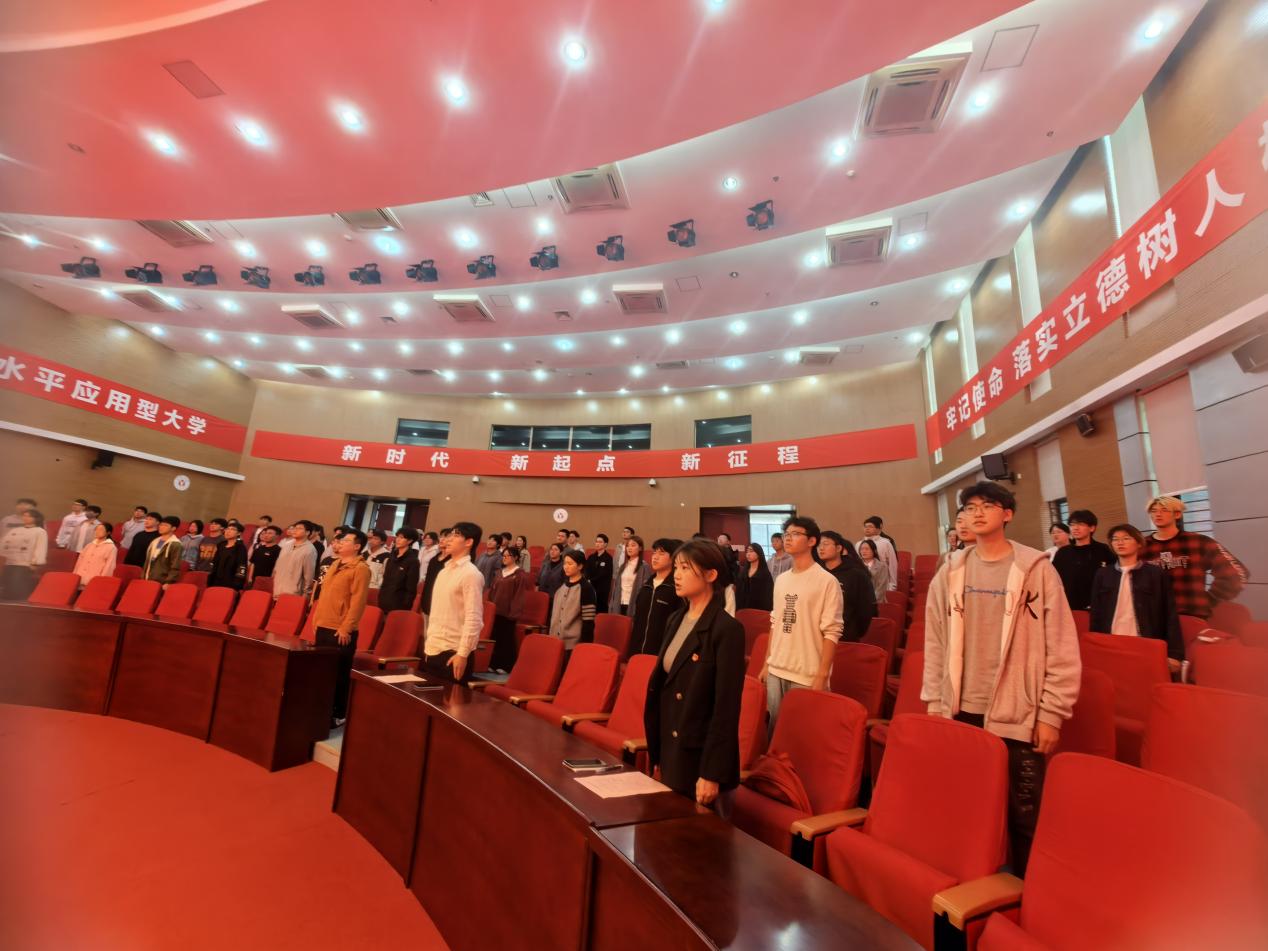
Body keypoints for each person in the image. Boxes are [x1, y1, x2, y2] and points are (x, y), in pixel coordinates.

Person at [922, 481, 1080, 874]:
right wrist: (936, 701)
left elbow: (1060, 643)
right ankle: (974, 885)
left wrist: (1051, 713)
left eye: (987, 506)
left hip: (1017, 711)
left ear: (1007, 514)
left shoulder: (1035, 570)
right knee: (967, 806)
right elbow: (935, 640)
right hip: (961, 708)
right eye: (970, 507)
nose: (976, 513)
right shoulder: (951, 571)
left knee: (1025, 815)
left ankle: (1029, 889)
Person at [645, 539, 745, 810]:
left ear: (711, 575)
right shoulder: (675, 619)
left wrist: (711, 772)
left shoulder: (727, 630)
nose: (676, 575)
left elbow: (726, 708)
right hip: (670, 744)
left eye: (685, 568)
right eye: (676, 567)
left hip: (698, 753)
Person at [760, 516, 844, 733]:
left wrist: (822, 676)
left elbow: (832, 632)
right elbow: (775, 622)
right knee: (775, 731)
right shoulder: (781, 579)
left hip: (807, 672)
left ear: (812, 541)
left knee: (802, 735)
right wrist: (767, 663)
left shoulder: (827, 581)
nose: (788, 538)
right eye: (786, 534)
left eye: (795, 534)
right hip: (777, 668)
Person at [1089, 524, 1183, 672]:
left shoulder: (1155, 574)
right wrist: (1094, 646)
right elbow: (1096, 614)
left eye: (1126, 538)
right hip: (1111, 642)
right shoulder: (1102, 574)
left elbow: (1169, 614)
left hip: (1145, 641)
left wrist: (1174, 654)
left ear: (1139, 543)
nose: (1120, 543)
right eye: (1115, 539)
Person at [1142, 495, 1248, 621]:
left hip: (1192, 616)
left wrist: (1211, 599)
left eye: (1164, 510)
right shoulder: (1141, 546)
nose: (1158, 514)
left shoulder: (1199, 542)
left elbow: (1237, 573)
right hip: (1155, 617)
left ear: (1177, 514)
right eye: (1153, 511)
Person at [310, 528, 370, 727]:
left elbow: (358, 602)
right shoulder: (335, 563)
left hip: (340, 629)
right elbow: (324, 595)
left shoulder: (360, 569)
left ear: (357, 546)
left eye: (346, 541)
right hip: (324, 624)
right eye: (340, 540)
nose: (340, 543)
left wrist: (347, 627)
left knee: (339, 673)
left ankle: (338, 713)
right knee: (323, 671)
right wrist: (316, 619)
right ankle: (322, 710)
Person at [423, 522, 485, 684]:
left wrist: (463, 654)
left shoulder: (471, 574)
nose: (449, 539)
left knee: (452, 700)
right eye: (449, 535)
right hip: (433, 648)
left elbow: (474, 618)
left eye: (456, 535)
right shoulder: (443, 571)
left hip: (454, 652)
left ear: (469, 542)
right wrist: (429, 645)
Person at [631, 538, 685, 657]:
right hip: (637, 653)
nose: (655, 557)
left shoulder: (676, 589)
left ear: (673, 558)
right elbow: (637, 621)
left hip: (661, 654)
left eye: (661, 553)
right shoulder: (646, 587)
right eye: (654, 552)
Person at [1051, 510, 1114, 611]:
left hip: (1099, 606)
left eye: (1080, 524)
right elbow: (1053, 579)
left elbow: (1113, 576)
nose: (1075, 528)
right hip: (1070, 608)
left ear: (1092, 528)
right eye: (1072, 525)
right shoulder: (1063, 553)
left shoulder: (1102, 550)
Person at [819, 533, 876, 642]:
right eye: (819, 545)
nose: (821, 548)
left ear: (838, 548)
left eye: (825, 544)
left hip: (846, 635)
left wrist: (855, 631)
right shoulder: (815, 572)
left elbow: (865, 609)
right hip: (816, 635)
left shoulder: (857, 575)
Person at [490, 545, 533, 671]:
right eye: (503, 556)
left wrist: (514, 613)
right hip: (496, 610)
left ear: (515, 557)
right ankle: (493, 663)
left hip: (508, 612)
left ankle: (506, 665)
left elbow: (519, 596)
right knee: (495, 637)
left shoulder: (519, 575)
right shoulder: (499, 573)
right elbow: (492, 591)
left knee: (506, 638)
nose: (504, 558)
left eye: (507, 556)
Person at [549, 549, 596, 653]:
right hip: (555, 642)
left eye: (570, 564)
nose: (566, 567)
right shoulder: (561, 588)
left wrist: (584, 648)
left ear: (580, 566)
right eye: (565, 563)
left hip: (573, 645)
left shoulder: (586, 589)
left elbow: (588, 622)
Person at [1, 508, 47, 600]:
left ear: (36, 518)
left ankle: (19, 602)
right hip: (10, 561)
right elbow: (4, 543)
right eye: (24, 516)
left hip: (25, 563)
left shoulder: (40, 531)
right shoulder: (15, 530)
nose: (26, 518)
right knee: (8, 583)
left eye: (29, 516)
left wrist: (35, 562)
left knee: (18, 584)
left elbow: (41, 547)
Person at [379, 526, 421, 614]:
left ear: (410, 541)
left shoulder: (413, 561)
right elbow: (385, 578)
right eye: (397, 536)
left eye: (401, 537)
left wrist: (406, 606)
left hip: (399, 604)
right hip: (383, 599)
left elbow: (411, 588)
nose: (397, 539)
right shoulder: (392, 556)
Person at [272, 520, 318, 597]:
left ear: (307, 532)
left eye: (299, 528)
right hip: (277, 588)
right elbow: (278, 565)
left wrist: (306, 593)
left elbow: (309, 574)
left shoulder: (309, 550)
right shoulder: (286, 545)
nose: (295, 530)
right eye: (295, 528)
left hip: (293, 592)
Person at [610, 535, 652, 615]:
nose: (629, 548)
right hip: (620, 603)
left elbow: (646, 591)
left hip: (633, 604)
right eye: (628, 546)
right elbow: (616, 588)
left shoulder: (644, 567)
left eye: (633, 545)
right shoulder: (623, 566)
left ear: (640, 548)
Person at [858, 517, 898, 591]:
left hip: (882, 580)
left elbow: (892, 564)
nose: (867, 529)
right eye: (865, 527)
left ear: (878, 529)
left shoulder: (886, 543)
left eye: (870, 526)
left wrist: (893, 584)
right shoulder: (858, 544)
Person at [142, 515, 184, 586]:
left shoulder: (176, 544)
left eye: (165, 525)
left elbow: (175, 566)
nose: (161, 527)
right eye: (161, 525)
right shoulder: (154, 541)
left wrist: (168, 582)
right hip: (147, 577)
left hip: (161, 581)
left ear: (173, 528)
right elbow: (147, 561)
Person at [419, 528, 452, 617]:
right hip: (427, 602)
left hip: (441, 608)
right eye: (441, 536)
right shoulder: (434, 559)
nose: (442, 539)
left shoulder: (452, 561)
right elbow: (428, 583)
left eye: (446, 537)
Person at [72, 522, 117, 586]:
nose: (97, 531)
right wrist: (74, 576)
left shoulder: (111, 547)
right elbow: (79, 562)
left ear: (108, 533)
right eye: (96, 529)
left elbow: (109, 567)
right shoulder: (89, 545)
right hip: (79, 578)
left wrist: (101, 581)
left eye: (101, 529)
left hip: (94, 581)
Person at [208, 521, 249, 590]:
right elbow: (214, 562)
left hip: (230, 583)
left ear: (239, 533)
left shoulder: (240, 548)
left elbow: (241, 567)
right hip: (215, 580)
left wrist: (237, 585)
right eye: (227, 529)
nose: (228, 531)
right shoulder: (221, 545)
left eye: (232, 529)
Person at [735, 542, 774, 612]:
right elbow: (738, 593)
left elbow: (768, 596)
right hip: (743, 610)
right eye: (747, 551)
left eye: (751, 551)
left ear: (759, 553)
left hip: (759, 611)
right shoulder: (743, 573)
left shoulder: (765, 574)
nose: (748, 554)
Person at [586, 534, 615, 614]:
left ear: (605, 544)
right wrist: (587, 580)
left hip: (602, 589)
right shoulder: (591, 557)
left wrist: (591, 580)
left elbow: (603, 574)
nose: (597, 544)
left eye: (600, 542)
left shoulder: (608, 558)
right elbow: (586, 570)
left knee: (600, 610)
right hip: (590, 587)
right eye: (596, 542)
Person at [858, 539, 890, 603]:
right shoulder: (856, 565)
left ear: (874, 551)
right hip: (858, 602)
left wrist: (870, 601)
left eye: (867, 549)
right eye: (862, 549)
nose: (864, 551)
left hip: (876, 602)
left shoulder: (882, 567)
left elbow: (881, 587)